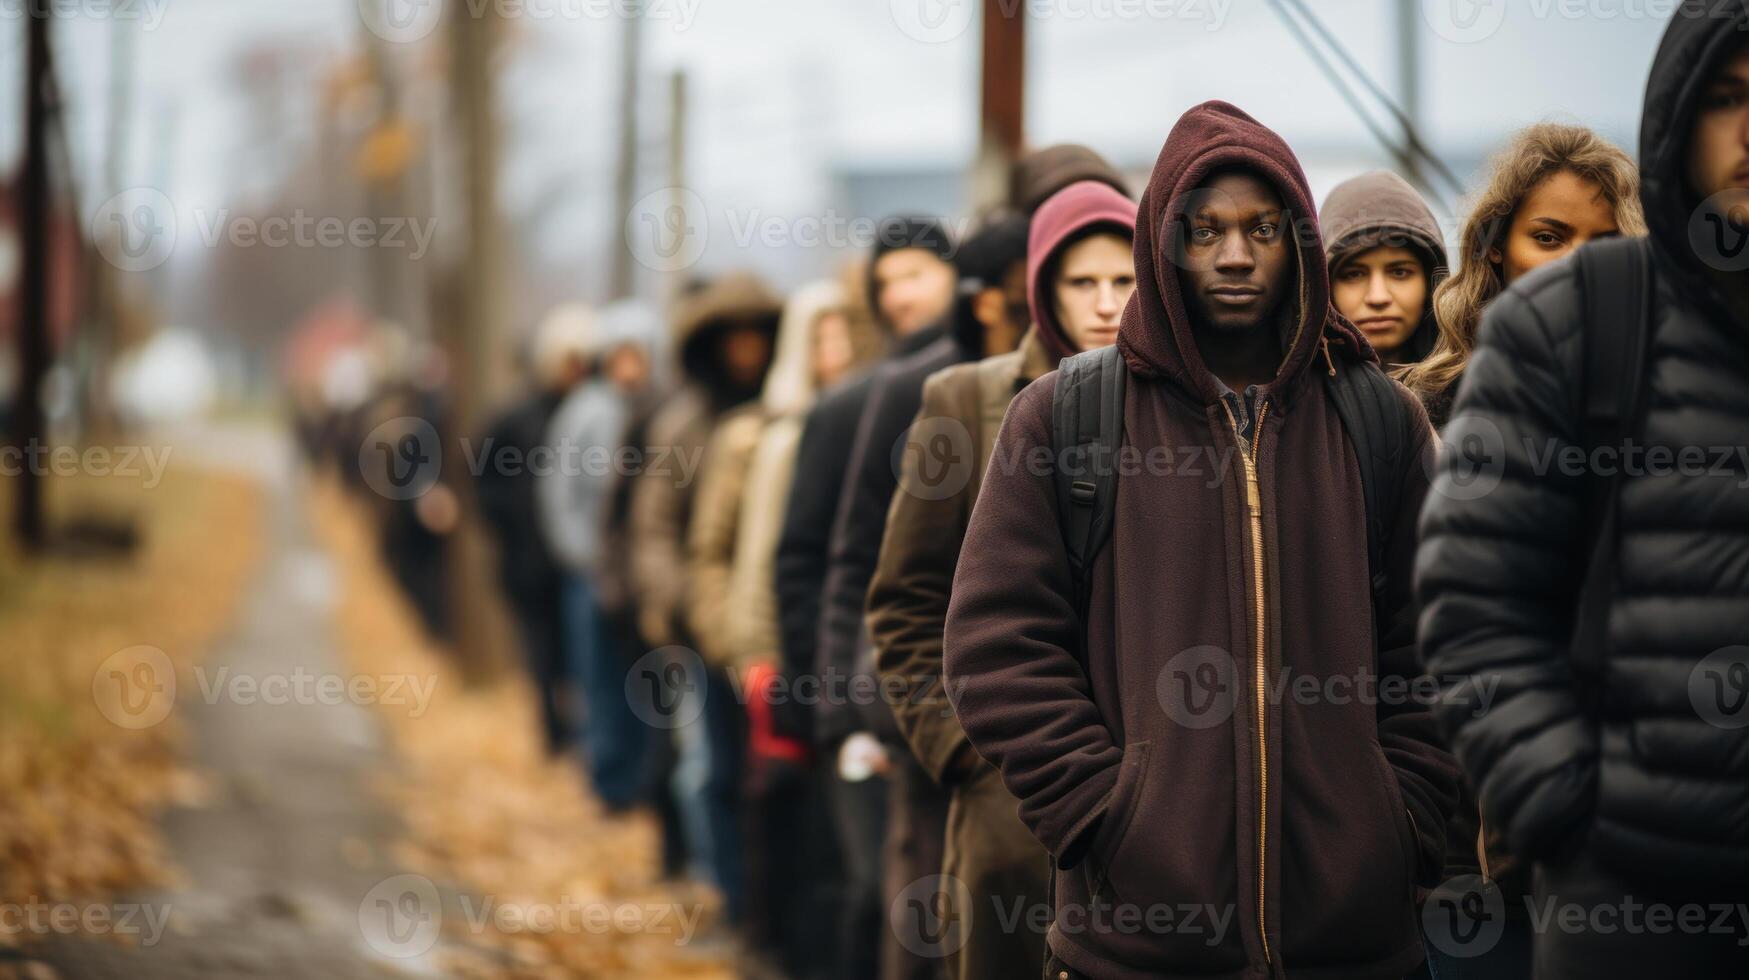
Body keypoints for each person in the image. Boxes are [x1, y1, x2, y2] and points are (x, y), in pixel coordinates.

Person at [942, 101, 1460, 980]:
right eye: (1203, 228)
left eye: (1261, 229)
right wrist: (1101, 813)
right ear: (1161, 241)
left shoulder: (1377, 416)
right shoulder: (1067, 414)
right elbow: (995, 642)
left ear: (1298, 240)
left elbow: (1442, 640)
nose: (1232, 254)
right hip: (1136, 943)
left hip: (1353, 942)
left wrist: (1404, 817)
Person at [1417, 9, 1749, 978]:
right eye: (1725, 98)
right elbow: (1473, 605)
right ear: (1678, 119)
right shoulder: (1575, 323)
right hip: (1634, 907)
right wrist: (1573, 821)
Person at [869, 180, 1136, 980]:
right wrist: (964, 751)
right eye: (1080, 282)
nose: (1103, 304)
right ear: (1041, 289)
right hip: (1009, 791)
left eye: (1123, 281)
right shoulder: (968, 398)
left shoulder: (1175, 409)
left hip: (1145, 792)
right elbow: (903, 600)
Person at [821, 213, 1034, 980]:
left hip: (1049, 745)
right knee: (920, 919)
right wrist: (854, 707)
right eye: (889, 281)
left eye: (915, 274)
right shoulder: (916, 391)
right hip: (931, 724)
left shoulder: (1114, 397)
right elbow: (861, 563)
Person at [773, 216, 958, 980]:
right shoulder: (849, 407)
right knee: (875, 899)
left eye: (916, 274)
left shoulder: (992, 391)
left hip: (950, 696)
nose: (902, 295)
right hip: (862, 694)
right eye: (887, 283)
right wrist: (830, 702)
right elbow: (811, 557)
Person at [685, 278, 879, 979]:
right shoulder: (752, 437)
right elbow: (718, 550)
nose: (833, 349)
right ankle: (763, 940)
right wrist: (736, 647)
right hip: (765, 652)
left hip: (842, 656)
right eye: (819, 335)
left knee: (833, 831)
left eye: (842, 334)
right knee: (768, 804)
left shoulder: (875, 416)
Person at [628, 272, 781, 925]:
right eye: (732, 337)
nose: (745, 350)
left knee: (769, 780)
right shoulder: (683, 424)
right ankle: (727, 895)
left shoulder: (786, 409)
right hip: (700, 627)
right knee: (709, 772)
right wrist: (678, 604)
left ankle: (768, 905)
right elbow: (655, 525)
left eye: (756, 336)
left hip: (773, 628)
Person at [1398, 124, 1644, 429]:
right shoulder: (1430, 409)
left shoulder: (1669, 387)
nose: (1578, 263)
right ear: (1496, 245)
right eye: (1548, 238)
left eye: (1606, 242)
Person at [537, 303, 660, 810]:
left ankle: (642, 781)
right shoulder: (585, 410)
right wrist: (581, 559)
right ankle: (608, 780)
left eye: (639, 356)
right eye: (621, 355)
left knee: (645, 686)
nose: (629, 367)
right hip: (590, 573)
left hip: (642, 577)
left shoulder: (658, 410)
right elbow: (558, 491)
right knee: (599, 678)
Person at [475, 309, 594, 755]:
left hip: (577, 561)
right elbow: (483, 483)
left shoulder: (591, 417)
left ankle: (578, 735)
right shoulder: (513, 419)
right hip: (528, 562)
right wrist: (512, 525)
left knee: (575, 653)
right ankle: (553, 734)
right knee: (541, 653)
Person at [1319, 170, 1448, 367]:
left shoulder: (1480, 384)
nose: (1378, 298)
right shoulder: (1293, 394)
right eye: (1353, 274)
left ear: (1432, 283)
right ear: (1325, 287)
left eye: (1399, 272)